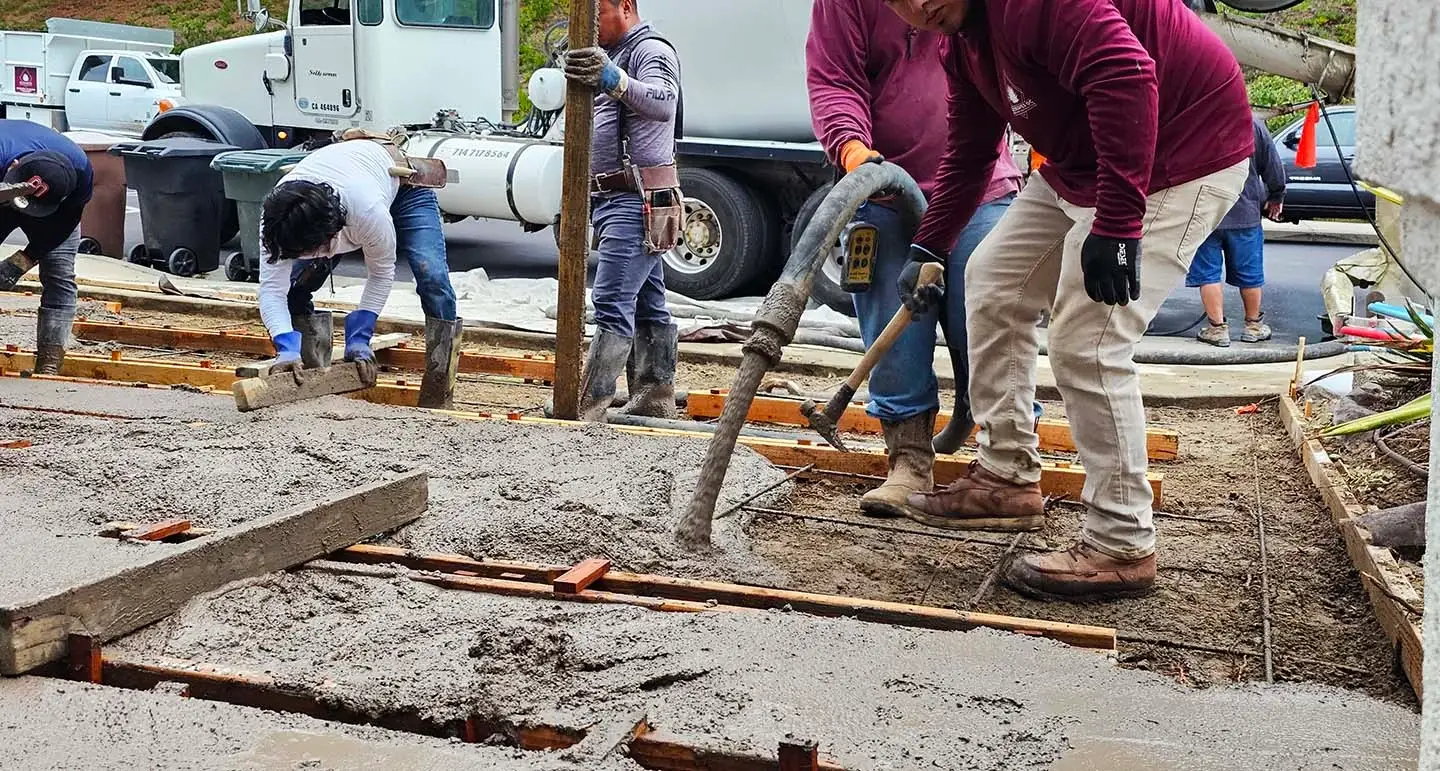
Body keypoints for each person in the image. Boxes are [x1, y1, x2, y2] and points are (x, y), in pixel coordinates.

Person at [884, 0, 1254, 601]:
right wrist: (928, 244)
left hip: (1182, 151)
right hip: (1085, 161)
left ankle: (1121, 542)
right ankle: (1006, 476)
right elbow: (973, 152)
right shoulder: (965, 43)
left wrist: (1117, 225)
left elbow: (1127, 75)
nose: (922, 3)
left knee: (1089, 340)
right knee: (993, 280)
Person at [805, 0, 1034, 520]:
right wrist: (853, 151)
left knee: (992, 318)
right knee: (893, 321)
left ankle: (1007, 462)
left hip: (980, 187)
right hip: (886, 187)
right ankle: (908, 461)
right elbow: (834, 79)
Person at [256, 135, 464, 409]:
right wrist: (284, 344)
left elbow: (380, 273)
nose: (315, 256)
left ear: (335, 231)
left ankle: (439, 392)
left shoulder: (367, 213)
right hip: (350, 184)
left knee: (432, 276)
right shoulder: (277, 221)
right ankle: (309, 380)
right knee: (296, 285)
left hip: (404, 191)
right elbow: (272, 290)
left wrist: (361, 335)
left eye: (317, 250)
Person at [561, 0, 683, 421]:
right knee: (648, 302)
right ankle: (654, 395)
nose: (591, 26)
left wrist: (614, 80)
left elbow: (663, 102)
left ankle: (588, 407)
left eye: (598, 14)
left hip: (636, 199)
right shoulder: (613, 55)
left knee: (612, 299)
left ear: (626, 6)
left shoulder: (651, 51)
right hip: (618, 199)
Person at [0, 120, 92, 374]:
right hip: (3, 199)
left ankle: (50, 361)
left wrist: (22, 261)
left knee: (59, 273)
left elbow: (64, 225)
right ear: (15, 168)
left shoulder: (81, 171)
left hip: (54, 215)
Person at [1189, 115, 1287, 347]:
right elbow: (1272, 164)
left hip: (1206, 213)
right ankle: (1253, 326)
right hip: (1245, 214)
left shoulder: (1196, 119)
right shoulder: (1252, 122)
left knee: (1208, 273)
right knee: (1249, 273)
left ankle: (1217, 330)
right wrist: (1276, 195)